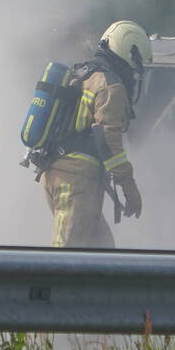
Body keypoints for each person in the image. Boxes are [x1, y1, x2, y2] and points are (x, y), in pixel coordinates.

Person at [43, 20, 149, 248]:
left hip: (61, 175)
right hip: (76, 183)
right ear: (130, 54)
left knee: (101, 250)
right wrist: (129, 187)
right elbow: (106, 138)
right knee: (66, 256)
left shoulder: (83, 73)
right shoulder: (111, 85)